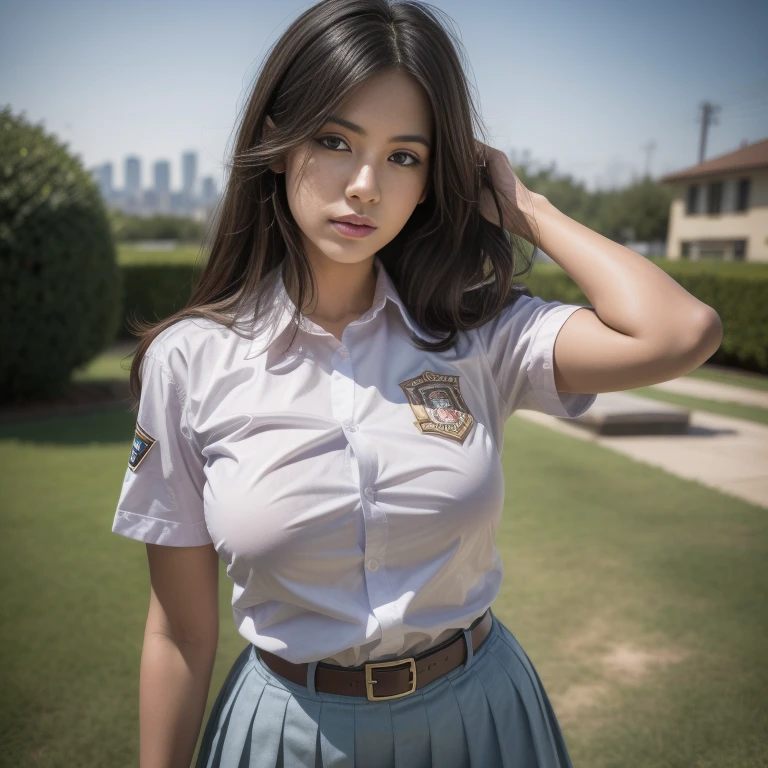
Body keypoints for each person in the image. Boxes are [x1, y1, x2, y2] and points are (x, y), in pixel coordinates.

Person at [111, 1, 723, 766]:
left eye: (405, 156)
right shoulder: (190, 361)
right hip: (288, 735)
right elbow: (179, 631)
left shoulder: (477, 333)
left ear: (437, 179)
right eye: (335, 141)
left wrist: (525, 208)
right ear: (277, 142)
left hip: (483, 722)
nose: (365, 185)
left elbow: (679, 331)